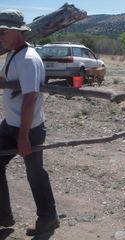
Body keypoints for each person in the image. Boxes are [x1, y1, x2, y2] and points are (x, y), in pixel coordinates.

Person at [0, 9, 59, 235]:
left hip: (29, 129)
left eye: (3, 31)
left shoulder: (28, 59)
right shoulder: (13, 53)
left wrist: (23, 136)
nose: (0, 36)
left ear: (18, 32)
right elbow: (6, 78)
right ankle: (3, 216)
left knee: (35, 173)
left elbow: (30, 98)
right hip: (10, 125)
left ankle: (48, 218)